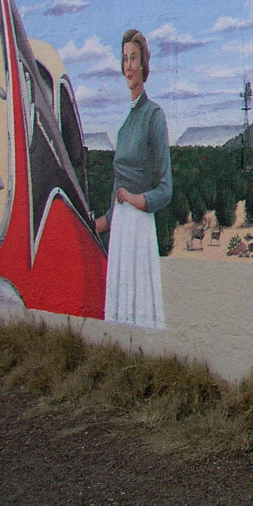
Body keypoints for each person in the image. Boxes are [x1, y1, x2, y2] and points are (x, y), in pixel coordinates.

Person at [94, 28, 171, 328]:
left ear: (144, 65)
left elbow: (166, 190)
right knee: (118, 313)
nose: (128, 65)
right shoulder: (125, 126)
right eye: (124, 58)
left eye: (134, 58)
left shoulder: (154, 116)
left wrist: (134, 200)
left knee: (140, 317)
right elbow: (115, 201)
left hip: (139, 227)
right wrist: (96, 224)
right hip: (121, 231)